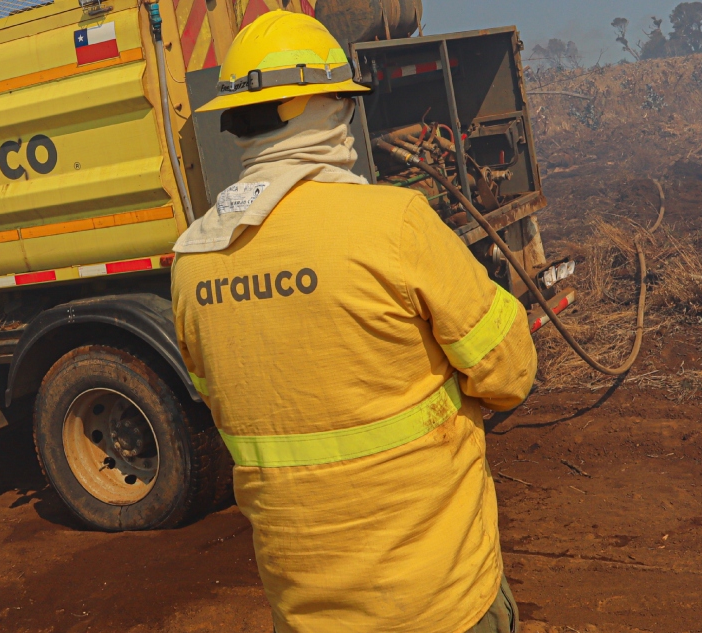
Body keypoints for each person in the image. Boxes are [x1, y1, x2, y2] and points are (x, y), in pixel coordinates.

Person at [169, 10, 537, 633]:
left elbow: (226, 401)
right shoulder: (394, 223)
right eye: (341, 99)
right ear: (314, 109)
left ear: (239, 122)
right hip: (438, 602)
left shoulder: (192, 263)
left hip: (306, 612)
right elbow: (509, 375)